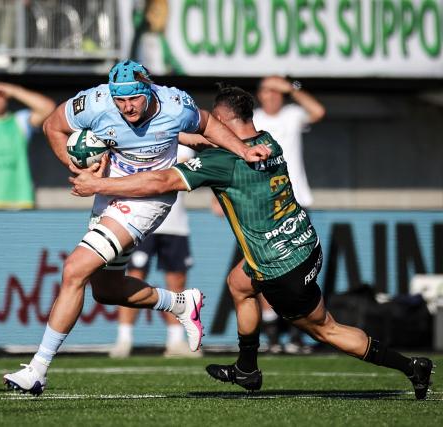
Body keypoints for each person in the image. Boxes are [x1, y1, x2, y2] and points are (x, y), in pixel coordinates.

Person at [70, 84, 434, 400]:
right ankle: (247, 369)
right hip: (302, 243)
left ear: (223, 121)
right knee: (238, 283)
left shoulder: (222, 161)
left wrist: (98, 185)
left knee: (327, 329)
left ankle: (412, 366)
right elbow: (207, 139)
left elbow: (157, 183)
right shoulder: (267, 142)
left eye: (213, 121)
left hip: (280, 268)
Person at [2, 60, 270, 396]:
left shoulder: (174, 104)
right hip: (111, 188)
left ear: (149, 91)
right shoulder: (95, 102)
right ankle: (180, 303)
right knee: (105, 289)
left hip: (148, 199)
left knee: (74, 270)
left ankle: (38, 369)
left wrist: (244, 150)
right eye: (120, 100)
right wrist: (72, 164)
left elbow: (207, 123)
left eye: (134, 99)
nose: (126, 107)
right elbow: (52, 126)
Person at [253, 75, 326, 354]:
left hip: (295, 203)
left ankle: (299, 333)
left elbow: (318, 112)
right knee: (261, 270)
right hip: (262, 205)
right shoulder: (254, 119)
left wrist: (292, 88)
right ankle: (271, 333)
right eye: (266, 92)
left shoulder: (293, 114)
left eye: (276, 92)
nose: (271, 97)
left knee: (300, 270)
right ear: (259, 95)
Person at [109, 145, 198, 359]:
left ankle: (176, 341)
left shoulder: (181, 140)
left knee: (176, 280)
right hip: (140, 220)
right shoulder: (138, 138)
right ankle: (124, 339)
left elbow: (174, 174)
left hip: (175, 222)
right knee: (133, 276)